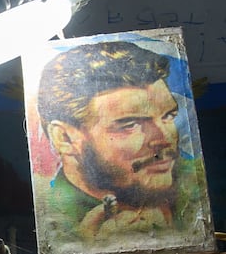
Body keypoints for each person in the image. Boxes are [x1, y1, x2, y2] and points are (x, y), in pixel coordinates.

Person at [35, 40, 208, 241]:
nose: (164, 139)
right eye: (130, 124)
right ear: (64, 138)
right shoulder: (55, 219)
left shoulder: (194, 184)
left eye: (168, 116)